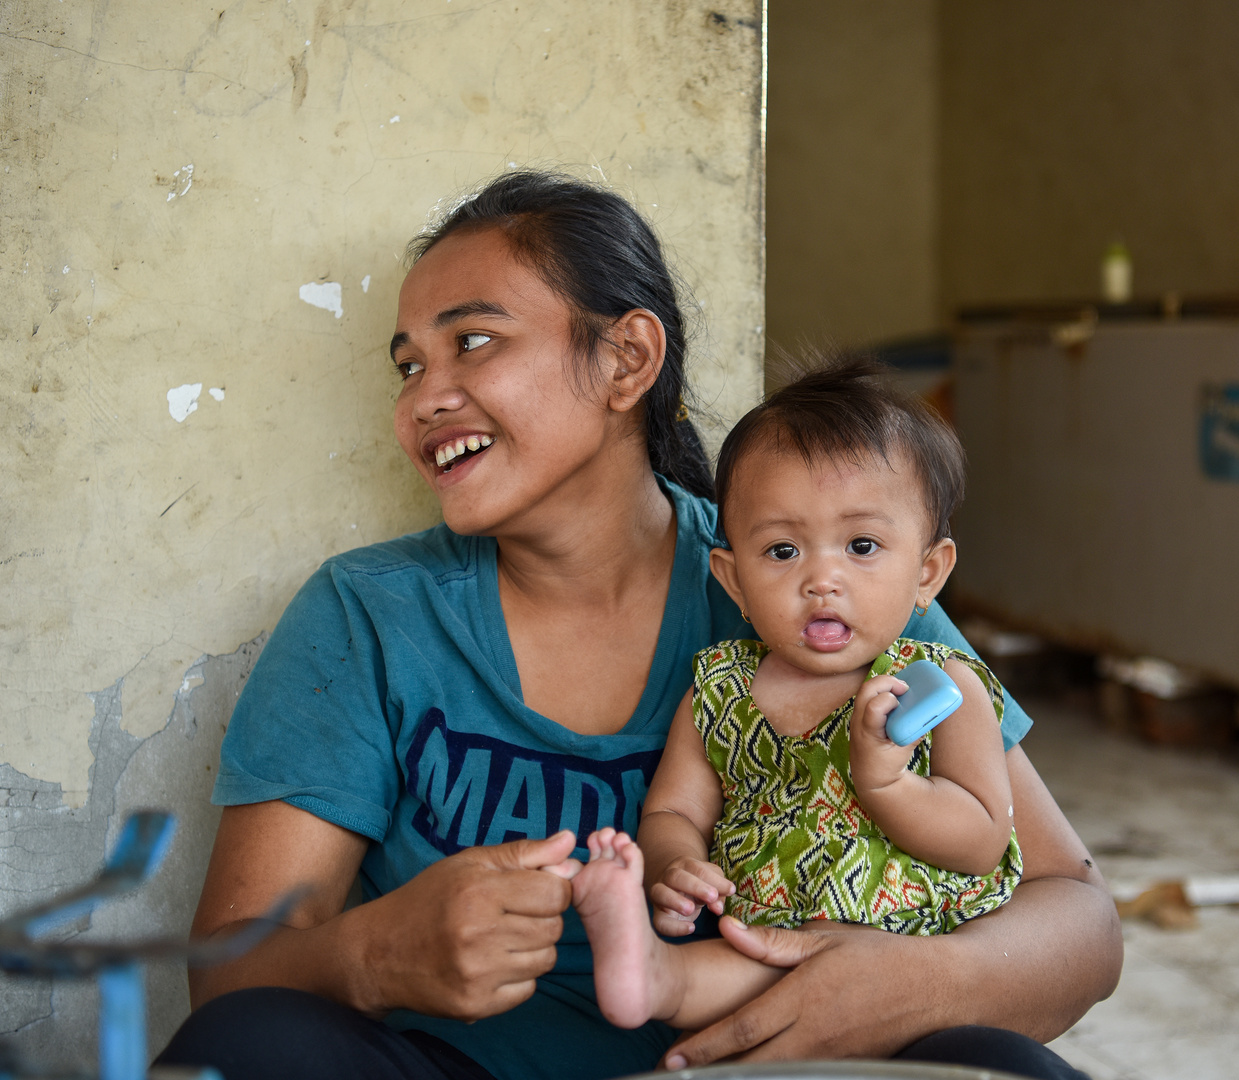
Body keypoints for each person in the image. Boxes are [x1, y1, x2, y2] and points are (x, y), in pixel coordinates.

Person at [156, 170, 1120, 1080]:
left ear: (627, 359)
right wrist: (371, 954)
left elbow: (1078, 920)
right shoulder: (368, 615)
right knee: (248, 1045)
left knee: (1011, 1070)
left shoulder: (815, 589)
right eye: (408, 367)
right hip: (450, 1067)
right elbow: (230, 976)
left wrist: (920, 983)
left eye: (474, 342)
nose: (425, 398)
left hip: (739, 1064)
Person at [568, 356, 1025, 1043]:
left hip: (905, 960)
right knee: (724, 972)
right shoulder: (720, 692)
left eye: (861, 545)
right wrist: (672, 864)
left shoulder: (940, 686)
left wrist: (888, 783)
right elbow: (671, 808)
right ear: (733, 580)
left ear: (927, 573)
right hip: (769, 946)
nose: (822, 579)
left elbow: (983, 840)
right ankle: (650, 975)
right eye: (782, 551)